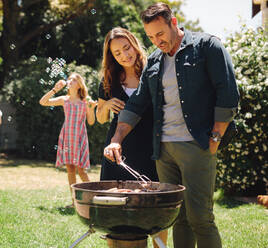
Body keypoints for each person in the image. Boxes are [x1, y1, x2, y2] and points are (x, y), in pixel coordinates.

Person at [103, 3, 239, 248]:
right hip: (164, 152)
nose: (157, 41)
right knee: (178, 218)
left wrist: (216, 137)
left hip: (197, 146)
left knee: (201, 218)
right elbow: (136, 104)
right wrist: (116, 139)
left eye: (160, 34)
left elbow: (227, 92)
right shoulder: (154, 61)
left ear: (173, 23)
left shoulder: (207, 47)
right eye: (151, 37)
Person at [96, 27, 167, 248]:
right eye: (117, 53)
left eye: (126, 48)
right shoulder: (109, 80)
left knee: (156, 208)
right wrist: (106, 105)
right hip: (119, 151)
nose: (125, 55)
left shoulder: (154, 70)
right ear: (112, 57)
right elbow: (99, 118)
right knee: (116, 207)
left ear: (134, 44)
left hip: (151, 148)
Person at [39, 72, 97, 207]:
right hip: (67, 136)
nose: (70, 81)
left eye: (74, 79)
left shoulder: (86, 100)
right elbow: (43, 102)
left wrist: (91, 109)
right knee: (70, 170)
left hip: (80, 138)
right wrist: (55, 89)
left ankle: (93, 197)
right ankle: (74, 201)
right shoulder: (64, 99)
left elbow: (91, 122)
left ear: (79, 85)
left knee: (81, 170)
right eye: (69, 79)